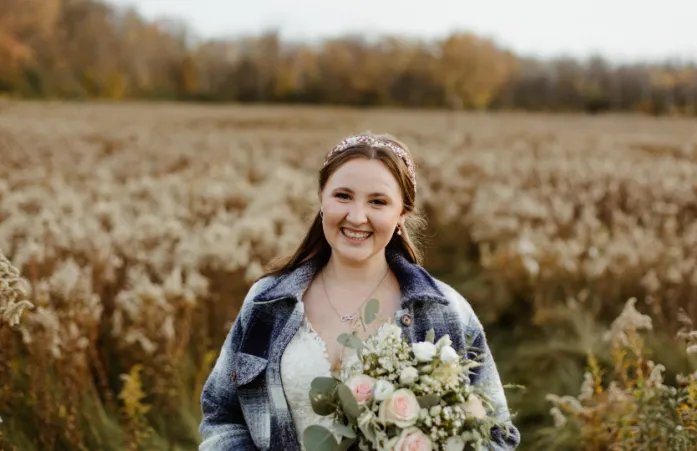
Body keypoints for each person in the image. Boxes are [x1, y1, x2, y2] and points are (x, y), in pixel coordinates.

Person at [198, 133, 521, 450]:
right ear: (322, 200)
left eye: (378, 202)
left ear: (401, 215)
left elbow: (497, 434)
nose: (356, 217)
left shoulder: (446, 311)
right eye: (343, 196)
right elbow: (222, 415)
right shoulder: (267, 302)